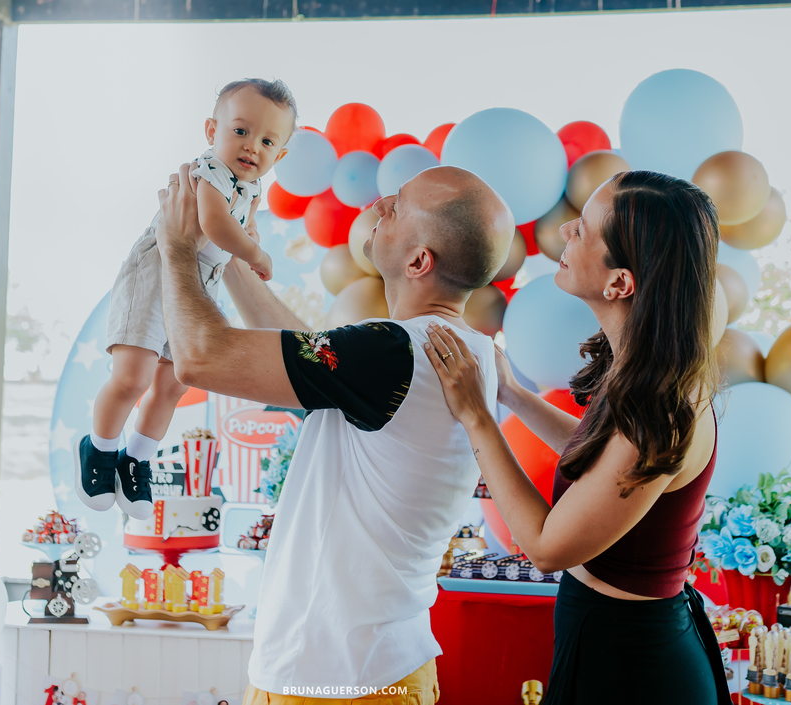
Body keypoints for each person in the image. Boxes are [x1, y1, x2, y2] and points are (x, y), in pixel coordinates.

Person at [153, 162, 515, 704]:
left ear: (419, 261)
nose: (377, 206)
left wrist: (179, 248)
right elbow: (312, 356)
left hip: (333, 679)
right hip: (382, 667)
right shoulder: (473, 351)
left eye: (396, 206)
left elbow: (200, 359)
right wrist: (227, 259)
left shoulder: (391, 351)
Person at [422, 170, 733, 704]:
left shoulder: (664, 410)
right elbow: (603, 462)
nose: (565, 231)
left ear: (620, 283)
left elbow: (545, 548)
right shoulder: (646, 371)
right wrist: (514, 395)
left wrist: (477, 416)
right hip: (607, 638)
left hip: (636, 667)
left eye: (584, 229)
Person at [74, 79, 297, 519]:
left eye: (267, 140)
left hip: (199, 282)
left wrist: (249, 232)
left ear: (280, 155)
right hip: (158, 273)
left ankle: (136, 458)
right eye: (240, 131)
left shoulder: (251, 188)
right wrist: (255, 252)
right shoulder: (209, 169)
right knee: (133, 376)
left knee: (176, 381)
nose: (252, 146)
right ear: (212, 131)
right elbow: (214, 224)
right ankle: (99, 448)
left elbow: (238, 225)